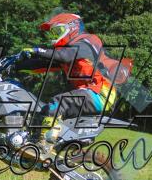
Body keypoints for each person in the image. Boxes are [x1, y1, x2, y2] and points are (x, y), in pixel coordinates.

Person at [14, 13, 132, 155]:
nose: (54, 36)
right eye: (52, 33)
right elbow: (41, 65)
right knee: (44, 110)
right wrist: (16, 65)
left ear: (72, 28)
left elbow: (65, 55)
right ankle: (33, 143)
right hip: (87, 93)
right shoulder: (66, 52)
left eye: (57, 31)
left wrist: (37, 50)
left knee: (59, 102)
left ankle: (44, 144)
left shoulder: (88, 41)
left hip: (100, 93)